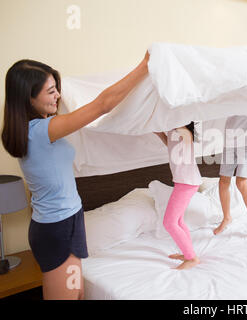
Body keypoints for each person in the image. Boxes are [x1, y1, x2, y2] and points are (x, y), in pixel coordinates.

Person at [1, 51, 150, 299]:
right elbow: (103, 104)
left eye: (56, 88)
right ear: (29, 99)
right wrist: (144, 66)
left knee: (77, 294)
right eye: (51, 91)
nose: (58, 95)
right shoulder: (40, 131)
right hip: (57, 227)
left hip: (67, 220)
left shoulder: (38, 129)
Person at [154, 122, 202, 270]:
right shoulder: (173, 130)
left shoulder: (185, 132)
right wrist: (160, 133)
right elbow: (171, 146)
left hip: (187, 182)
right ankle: (188, 253)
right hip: (185, 181)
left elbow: (186, 137)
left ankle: (191, 258)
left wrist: (172, 123)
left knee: (169, 223)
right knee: (179, 221)